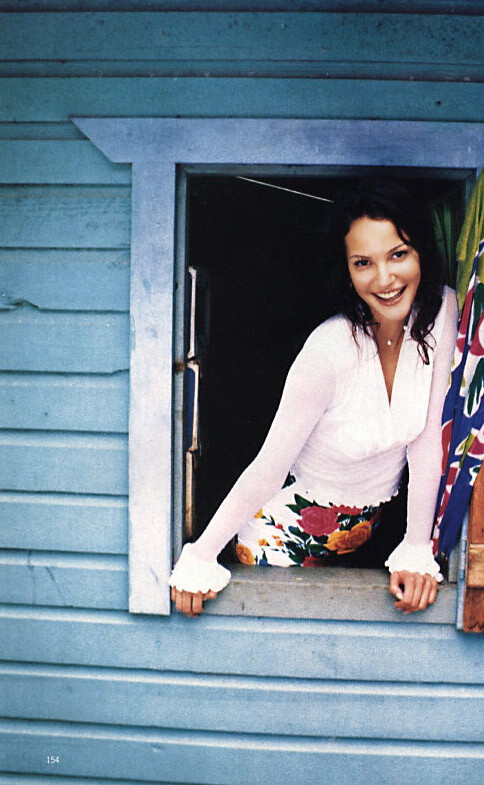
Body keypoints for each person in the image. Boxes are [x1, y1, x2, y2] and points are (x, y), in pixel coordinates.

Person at [170, 181, 459, 617]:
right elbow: (270, 467)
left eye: (398, 254)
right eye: (363, 263)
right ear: (347, 270)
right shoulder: (329, 350)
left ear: (422, 252)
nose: (385, 279)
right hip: (278, 537)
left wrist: (417, 546)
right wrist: (201, 555)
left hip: (364, 535)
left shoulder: (440, 312)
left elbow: (427, 441)